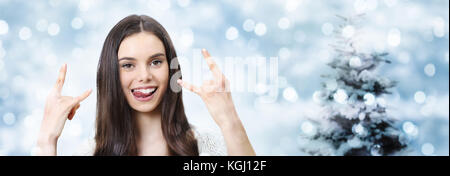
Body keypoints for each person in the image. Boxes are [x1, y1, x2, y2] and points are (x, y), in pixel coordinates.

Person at [36, 15, 255, 156]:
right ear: (111, 74)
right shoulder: (90, 153)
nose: (144, 76)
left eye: (156, 62)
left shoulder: (205, 148)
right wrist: (47, 140)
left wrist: (230, 120)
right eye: (128, 65)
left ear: (171, 69)